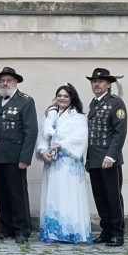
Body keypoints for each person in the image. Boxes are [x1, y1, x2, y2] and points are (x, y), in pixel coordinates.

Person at [0, 66, 38, 244]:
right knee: (1, 194)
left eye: (8, 80)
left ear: (16, 82)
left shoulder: (25, 101)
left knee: (18, 194)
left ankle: (22, 230)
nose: (5, 83)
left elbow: (31, 131)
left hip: (16, 157)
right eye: (2, 80)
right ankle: (6, 228)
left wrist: (25, 158)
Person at [36, 84, 91, 244]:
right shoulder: (49, 115)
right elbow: (42, 136)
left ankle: (71, 232)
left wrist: (62, 144)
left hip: (69, 163)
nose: (62, 98)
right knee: (53, 195)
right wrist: (42, 151)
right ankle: (53, 232)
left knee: (69, 195)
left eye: (66, 96)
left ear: (72, 98)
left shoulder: (78, 117)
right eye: (59, 95)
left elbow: (81, 137)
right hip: (52, 163)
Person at [85, 67, 127, 246]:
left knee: (113, 196)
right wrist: (88, 159)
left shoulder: (116, 103)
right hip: (94, 158)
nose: (97, 84)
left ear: (109, 84)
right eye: (94, 81)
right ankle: (106, 230)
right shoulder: (93, 103)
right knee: (100, 197)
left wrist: (111, 156)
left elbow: (119, 132)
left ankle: (117, 232)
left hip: (109, 159)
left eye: (100, 81)